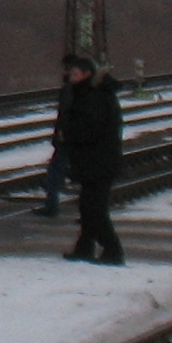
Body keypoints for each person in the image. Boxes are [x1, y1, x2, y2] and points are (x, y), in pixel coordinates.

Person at [55, 53, 126, 265]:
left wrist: (67, 134)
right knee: (89, 206)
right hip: (96, 160)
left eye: (75, 74)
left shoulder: (93, 95)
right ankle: (84, 248)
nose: (70, 78)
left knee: (93, 208)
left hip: (98, 161)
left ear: (87, 74)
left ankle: (113, 249)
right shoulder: (92, 92)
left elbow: (90, 128)